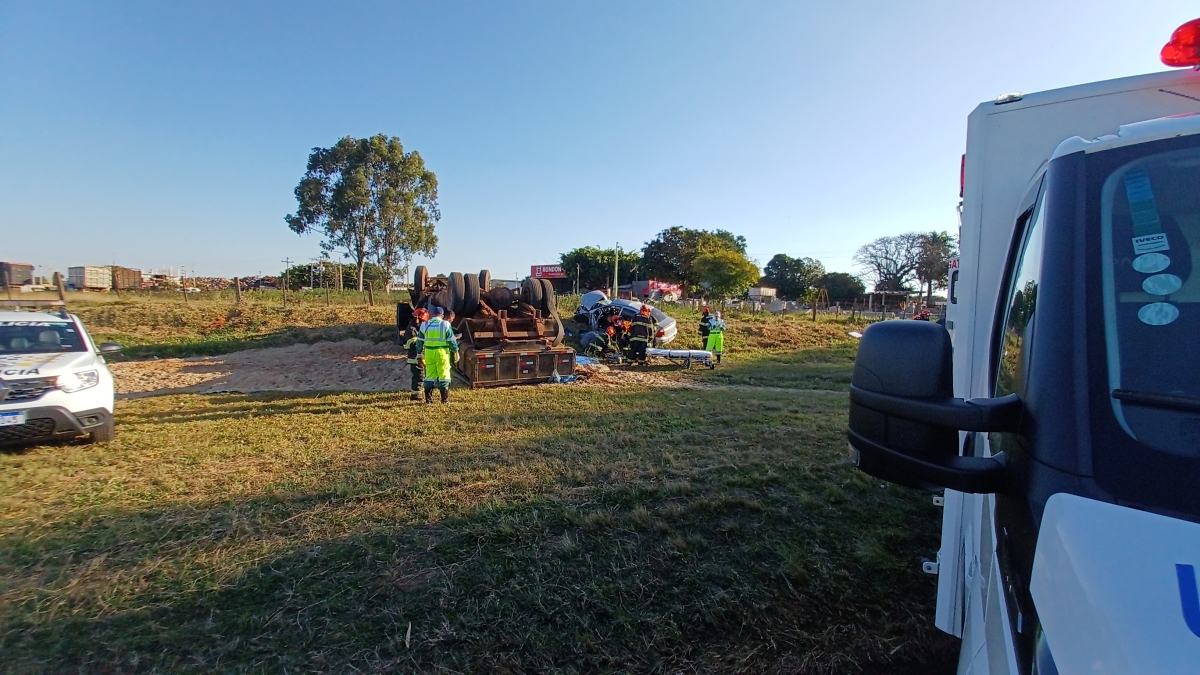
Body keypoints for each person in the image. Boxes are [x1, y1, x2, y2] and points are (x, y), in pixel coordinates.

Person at [416, 306, 459, 404]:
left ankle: (428, 400)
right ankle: (445, 400)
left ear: (433, 315)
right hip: (442, 353)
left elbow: (419, 342)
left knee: (429, 375)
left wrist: (419, 354)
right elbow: (452, 341)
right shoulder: (445, 324)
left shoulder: (424, 325)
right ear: (442, 315)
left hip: (429, 353)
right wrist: (455, 351)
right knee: (444, 375)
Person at [402, 308, 429, 400]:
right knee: (419, 376)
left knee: (421, 375)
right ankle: (416, 395)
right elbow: (410, 343)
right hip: (415, 358)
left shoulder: (417, 328)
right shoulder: (412, 329)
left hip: (420, 357)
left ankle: (418, 393)